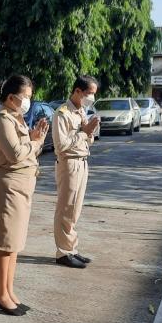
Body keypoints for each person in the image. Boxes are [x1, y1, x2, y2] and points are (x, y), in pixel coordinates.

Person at [0, 75, 48, 316]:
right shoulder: (1, 120)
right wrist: (36, 142)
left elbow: (23, 150)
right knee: (3, 244)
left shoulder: (15, 118)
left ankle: (8, 290)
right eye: (25, 97)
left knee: (13, 244)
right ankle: (0, 294)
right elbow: (15, 154)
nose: (28, 101)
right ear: (10, 97)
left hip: (21, 187)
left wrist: (33, 138)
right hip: (7, 187)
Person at [52, 75, 100, 269]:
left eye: (93, 94)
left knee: (75, 209)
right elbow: (61, 146)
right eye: (89, 93)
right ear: (77, 91)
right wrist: (83, 132)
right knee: (66, 208)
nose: (91, 98)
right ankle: (63, 252)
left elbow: (88, 141)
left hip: (82, 161)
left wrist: (90, 131)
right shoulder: (62, 113)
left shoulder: (81, 111)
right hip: (68, 163)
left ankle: (71, 248)